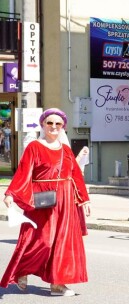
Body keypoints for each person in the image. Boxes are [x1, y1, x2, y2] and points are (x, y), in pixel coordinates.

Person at [1, 108, 91, 297]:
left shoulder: (65, 149)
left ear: (63, 127)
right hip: (43, 201)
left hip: (65, 202)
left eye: (58, 124)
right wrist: (11, 193)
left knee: (63, 244)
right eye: (50, 123)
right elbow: (23, 172)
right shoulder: (34, 147)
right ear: (43, 124)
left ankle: (58, 284)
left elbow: (75, 176)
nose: (54, 127)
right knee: (42, 241)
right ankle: (22, 270)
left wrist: (84, 200)